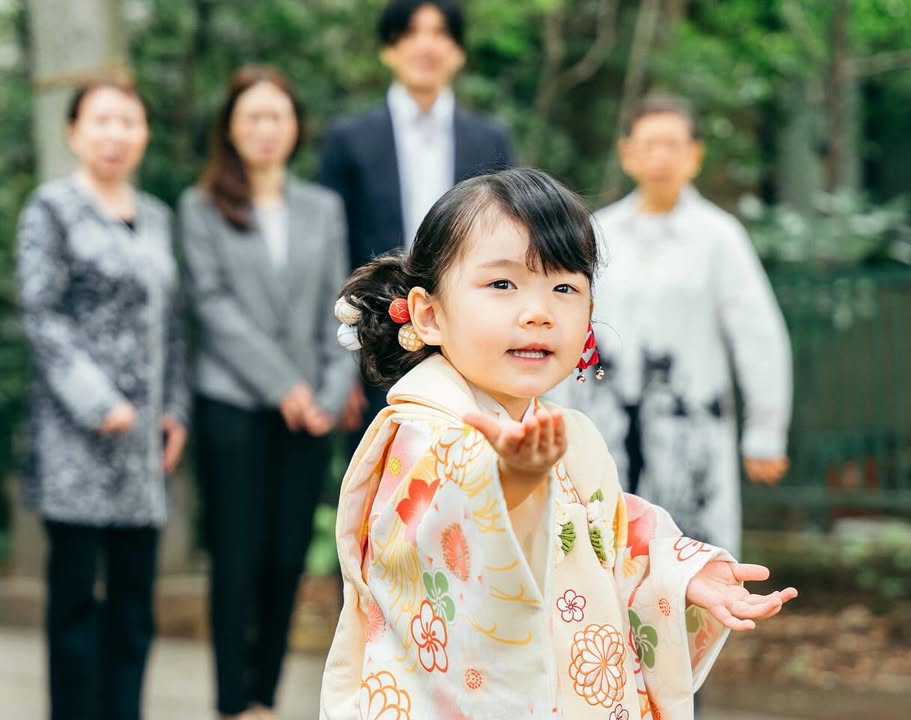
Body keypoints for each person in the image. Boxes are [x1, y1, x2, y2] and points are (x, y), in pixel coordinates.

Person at [319, 168, 797, 719]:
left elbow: (608, 536)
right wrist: (510, 487)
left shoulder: (568, 436)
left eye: (565, 287)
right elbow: (443, 541)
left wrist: (679, 573)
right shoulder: (424, 431)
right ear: (428, 314)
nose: (538, 311)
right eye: (502, 284)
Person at [178, 66, 354, 720]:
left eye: (276, 115)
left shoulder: (323, 207)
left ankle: (265, 698)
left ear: (295, 125)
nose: (265, 129)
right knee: (237, 554)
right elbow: (212, 306)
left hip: (310, 411)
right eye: (251, 116)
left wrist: (330, 392)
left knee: (286, 556)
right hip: (235, 404)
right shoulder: (202, 207)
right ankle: (231, 700)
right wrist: (285, 385)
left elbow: (341, 303)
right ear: (230, 126)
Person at [15, 76, 188, 720]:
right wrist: (99, 402)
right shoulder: (51, 208)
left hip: (144, 447)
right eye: (102, 121)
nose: (115, 135)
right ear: (74, 132)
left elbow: (170, 326)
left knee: (134, 601)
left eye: (128, 122)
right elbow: (42, 316)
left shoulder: (158, 216)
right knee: (75, 603)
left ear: (143, 134)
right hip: (77, 441)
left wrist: (174, 412)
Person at [577, 95, 793, 558]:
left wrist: (766, 431)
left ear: (694, 155)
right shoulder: (598, 233)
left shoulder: (719, 237)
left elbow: (757, 334)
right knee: (607, 553)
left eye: (672, 145)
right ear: (627, 153)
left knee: (693, 554)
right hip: (606, 422)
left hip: (692, 424)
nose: (660, 158)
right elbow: (575, 329)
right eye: (648, 145)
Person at [319, 0, 515, 435]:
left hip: (470, 330)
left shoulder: (489, 138)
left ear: (459, 52)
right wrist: (343, 364)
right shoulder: (348, 140)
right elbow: (329, 252)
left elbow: (507, 243)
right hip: (375, 335)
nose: (426, 45)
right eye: (411, 33)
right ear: (389, 49)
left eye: (441, 33)